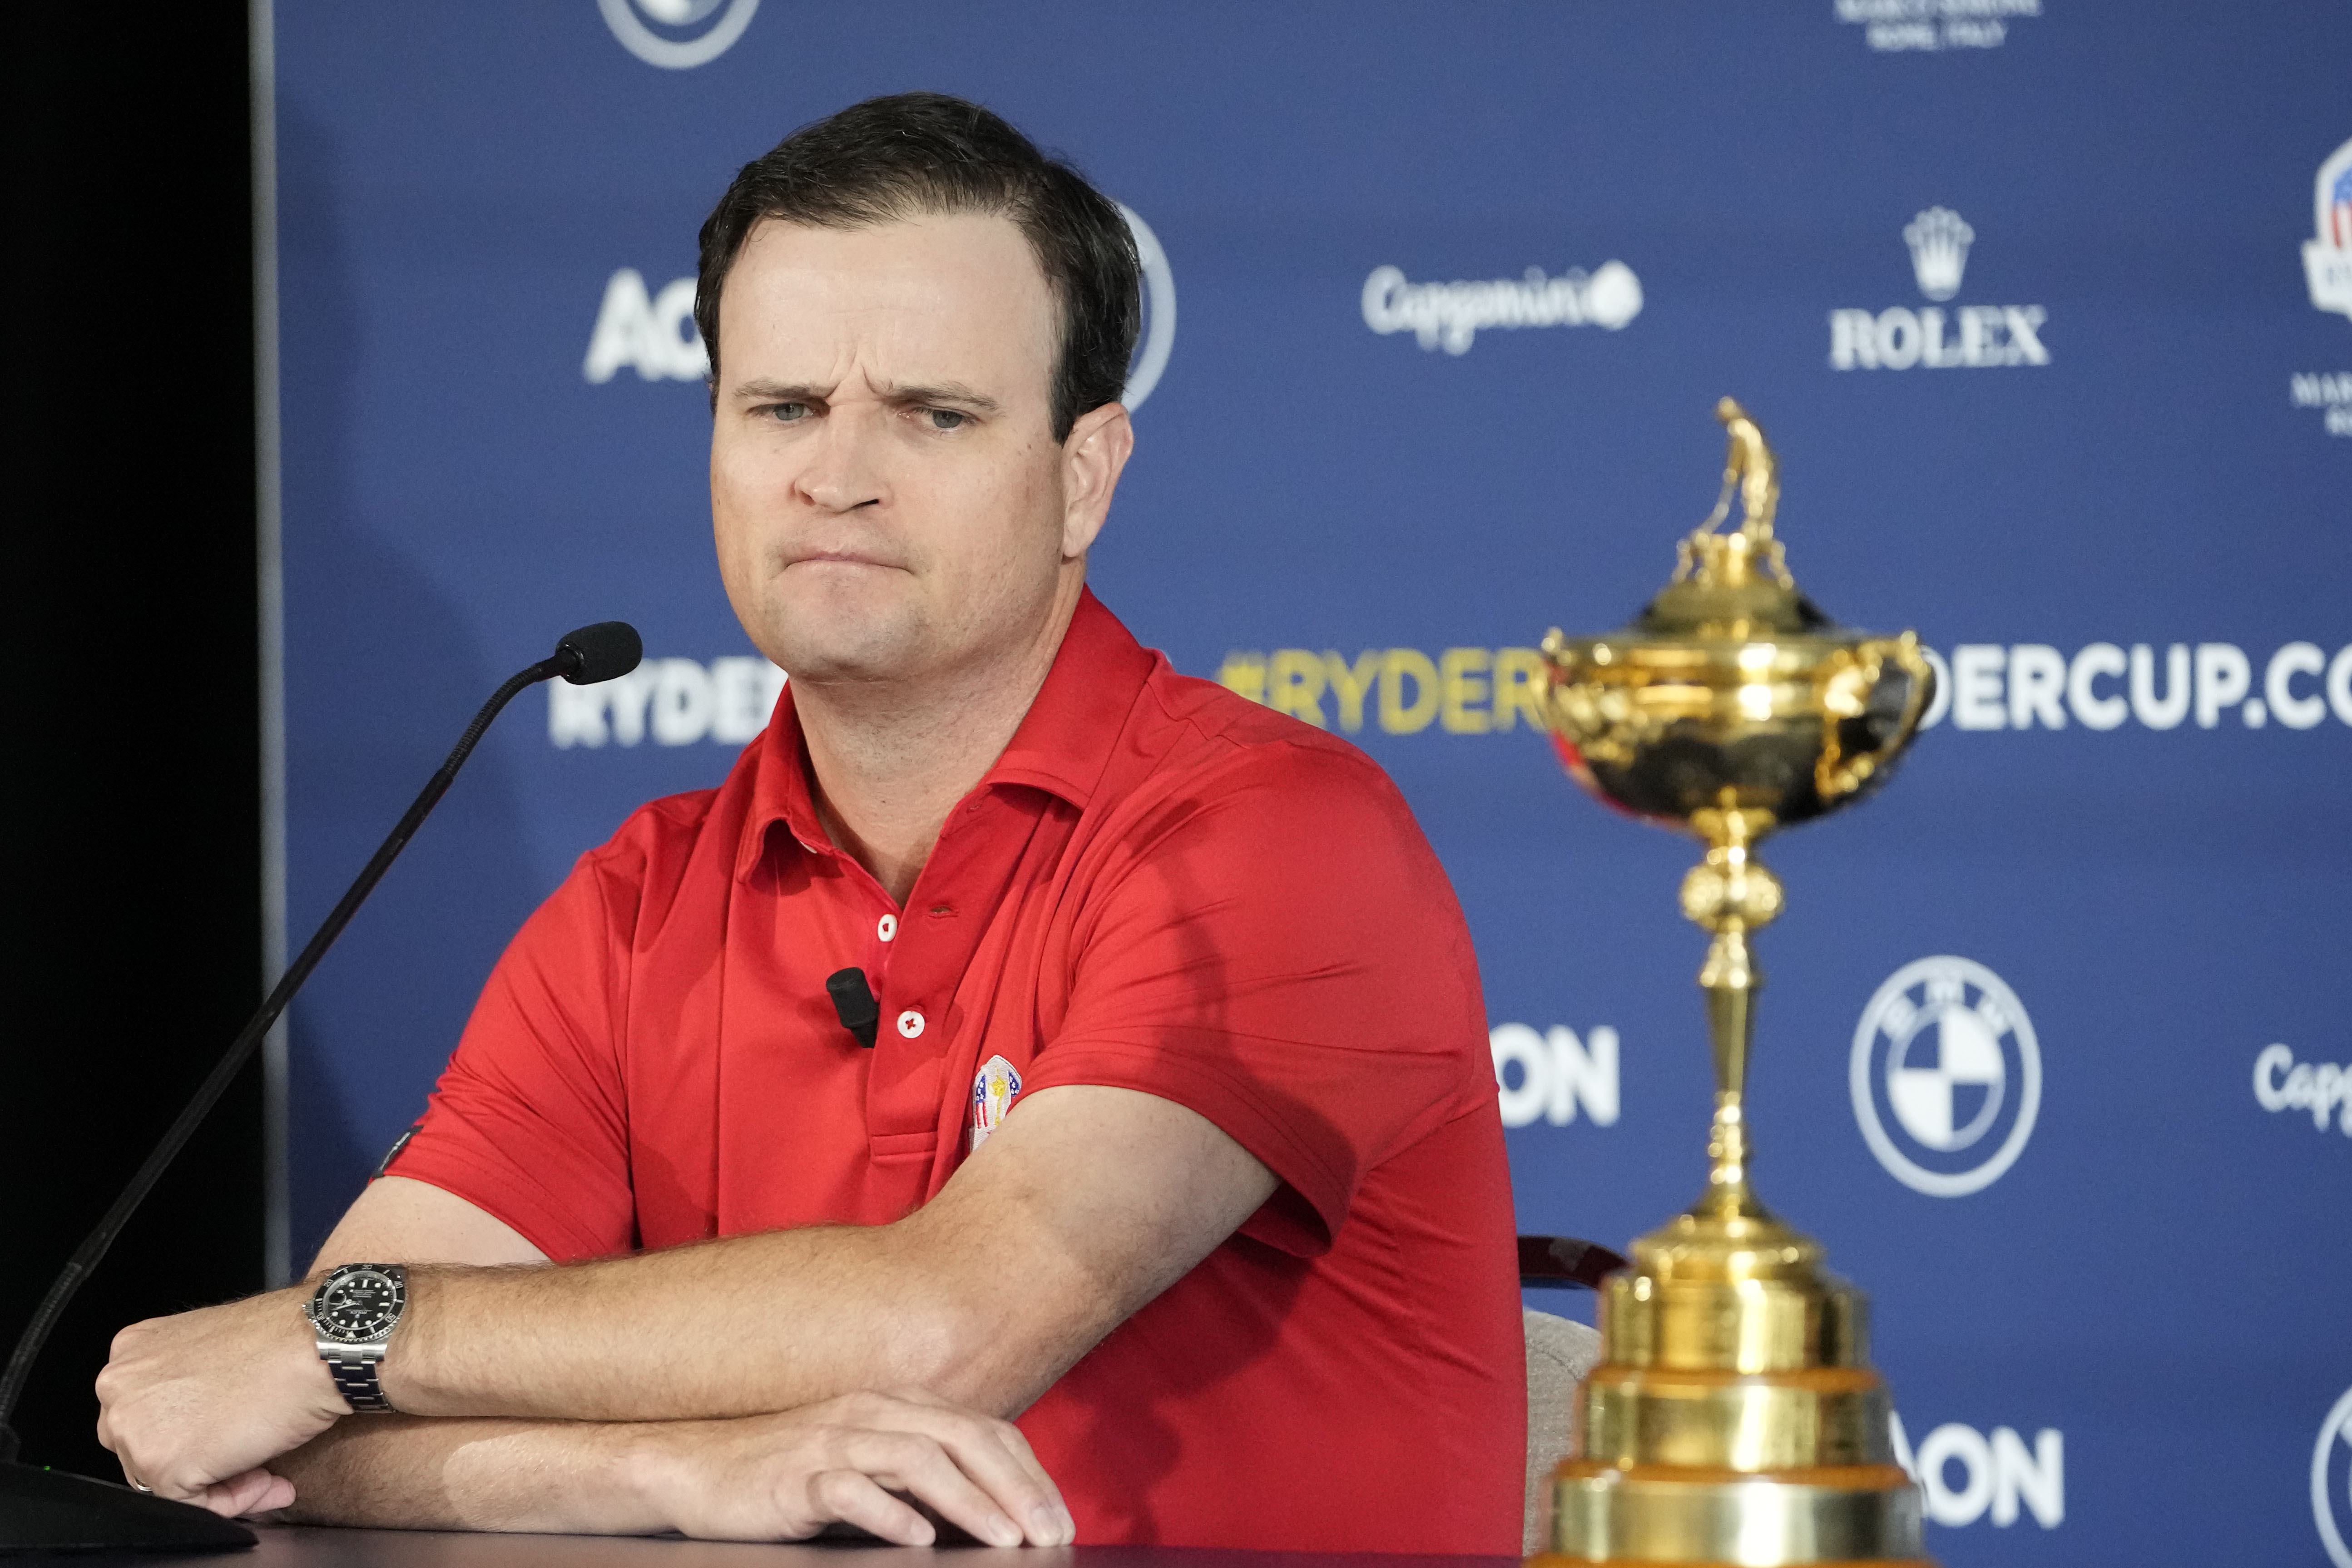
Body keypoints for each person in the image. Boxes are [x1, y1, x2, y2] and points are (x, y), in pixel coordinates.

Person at [94, 92, 1522, 1551]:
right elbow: (312, 1428)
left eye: (933, 415)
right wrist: (679, 1475)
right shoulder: (637, 904)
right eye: (781, 408)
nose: (834, 478)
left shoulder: (1278, 837)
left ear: (1082, 478)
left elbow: (946, 1328)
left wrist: (348, 1336)